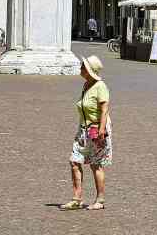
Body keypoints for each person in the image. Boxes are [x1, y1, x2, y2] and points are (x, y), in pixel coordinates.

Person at [62, 55, 111, 211]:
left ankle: (100, 200)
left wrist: (102, 130)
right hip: (83, 130)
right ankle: (77, 198)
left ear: (90, 71)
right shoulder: (86, 85)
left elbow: (104, 109)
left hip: (97, 130)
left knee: (96, 165)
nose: (80, 68)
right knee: (74, 161)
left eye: (83, 66)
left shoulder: (100, 86)